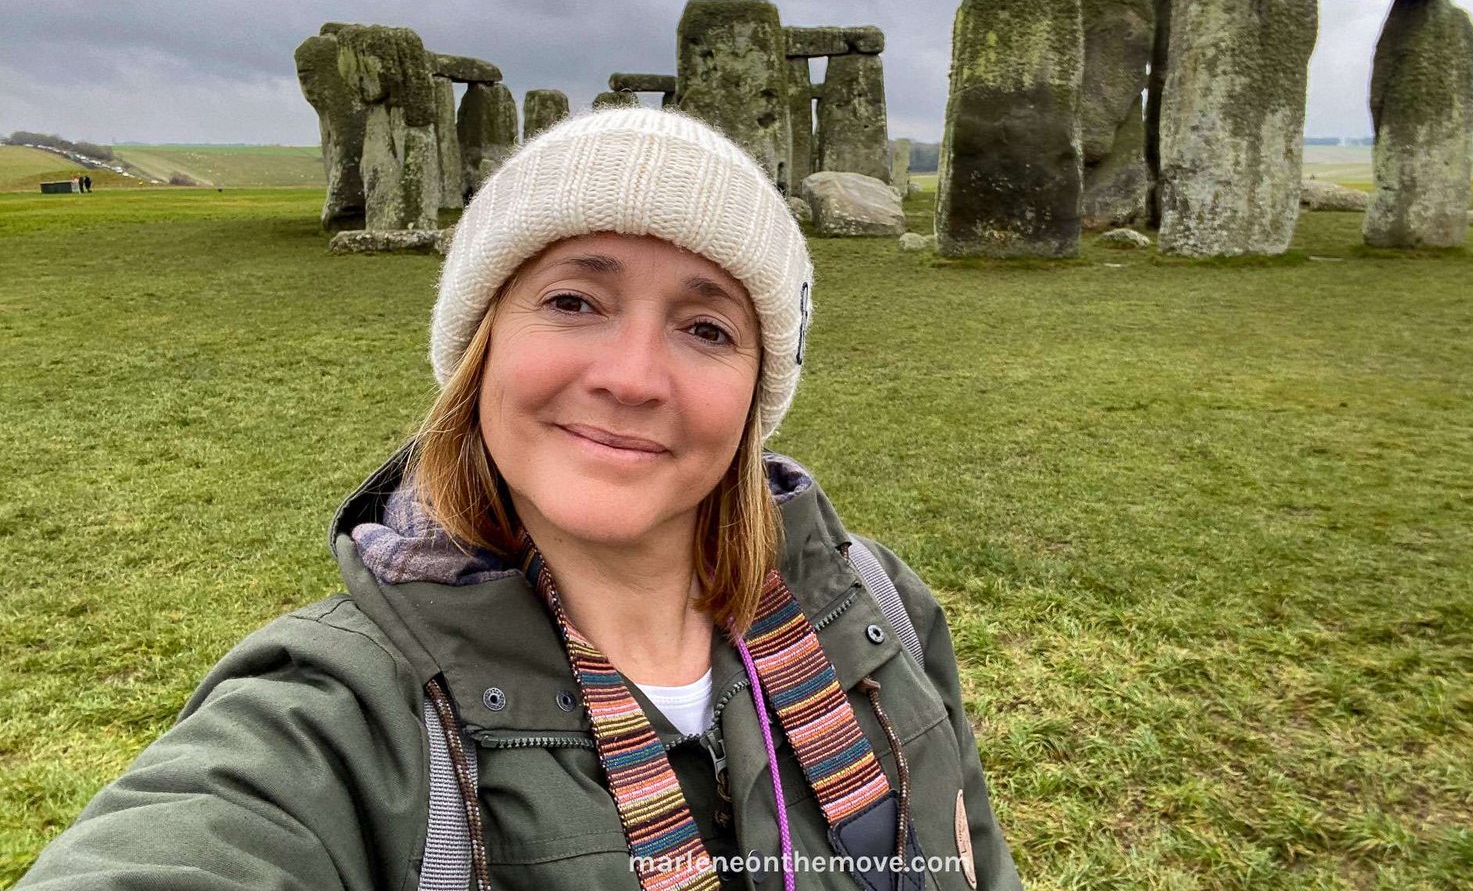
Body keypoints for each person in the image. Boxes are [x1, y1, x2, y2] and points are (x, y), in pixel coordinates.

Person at [18, 107, 1023, 891]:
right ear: (481, 342)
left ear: (758, 388)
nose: (632, 376)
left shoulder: (872, 606)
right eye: (573, 300)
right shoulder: (342, 716)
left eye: (707, 327)